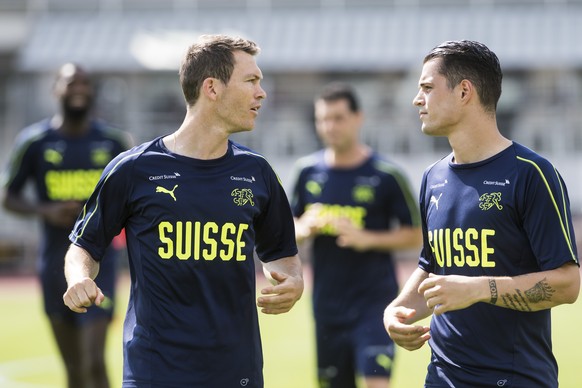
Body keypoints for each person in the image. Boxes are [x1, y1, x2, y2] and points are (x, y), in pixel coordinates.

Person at [62, 34, 304, 388]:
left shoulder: (258, 173)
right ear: (212, 88)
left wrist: (293, 283)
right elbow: (84, 245)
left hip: (236, 370)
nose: (261, 93)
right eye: (251, 80)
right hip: (154, 371)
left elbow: (283, 257)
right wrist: (78, 277)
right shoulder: (133, 169)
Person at [383, 40, 580, 388]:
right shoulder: (433, 177)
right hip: (442, 376)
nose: (417, 99)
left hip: (515, 378)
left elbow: (567, 284)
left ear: (464, 92)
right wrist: (398, 309)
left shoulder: (530, 173)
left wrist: (480, 289)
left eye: (427, 88)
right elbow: (432, 264)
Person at [0, 63, 131, 388]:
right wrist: (46, 210)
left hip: (99, 264)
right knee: (73, 370)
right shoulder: (35, 141)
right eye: (71, 83)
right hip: (53, 264)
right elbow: (8, 196)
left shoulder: (113, 141)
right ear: (55, 89)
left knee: (93, 363)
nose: (79, 89)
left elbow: (136, 197)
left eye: (85, 83)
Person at [289, 82, 422, 388]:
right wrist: (304, 228)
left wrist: (368, 238)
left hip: (375, 303)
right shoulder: (306, 172)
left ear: (358, 117)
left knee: (377, 383)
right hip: (327, 306)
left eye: (338, 118)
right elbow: (286, 232)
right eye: (323, 119)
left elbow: (415, 236)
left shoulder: (387, 175)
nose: (329, 126)